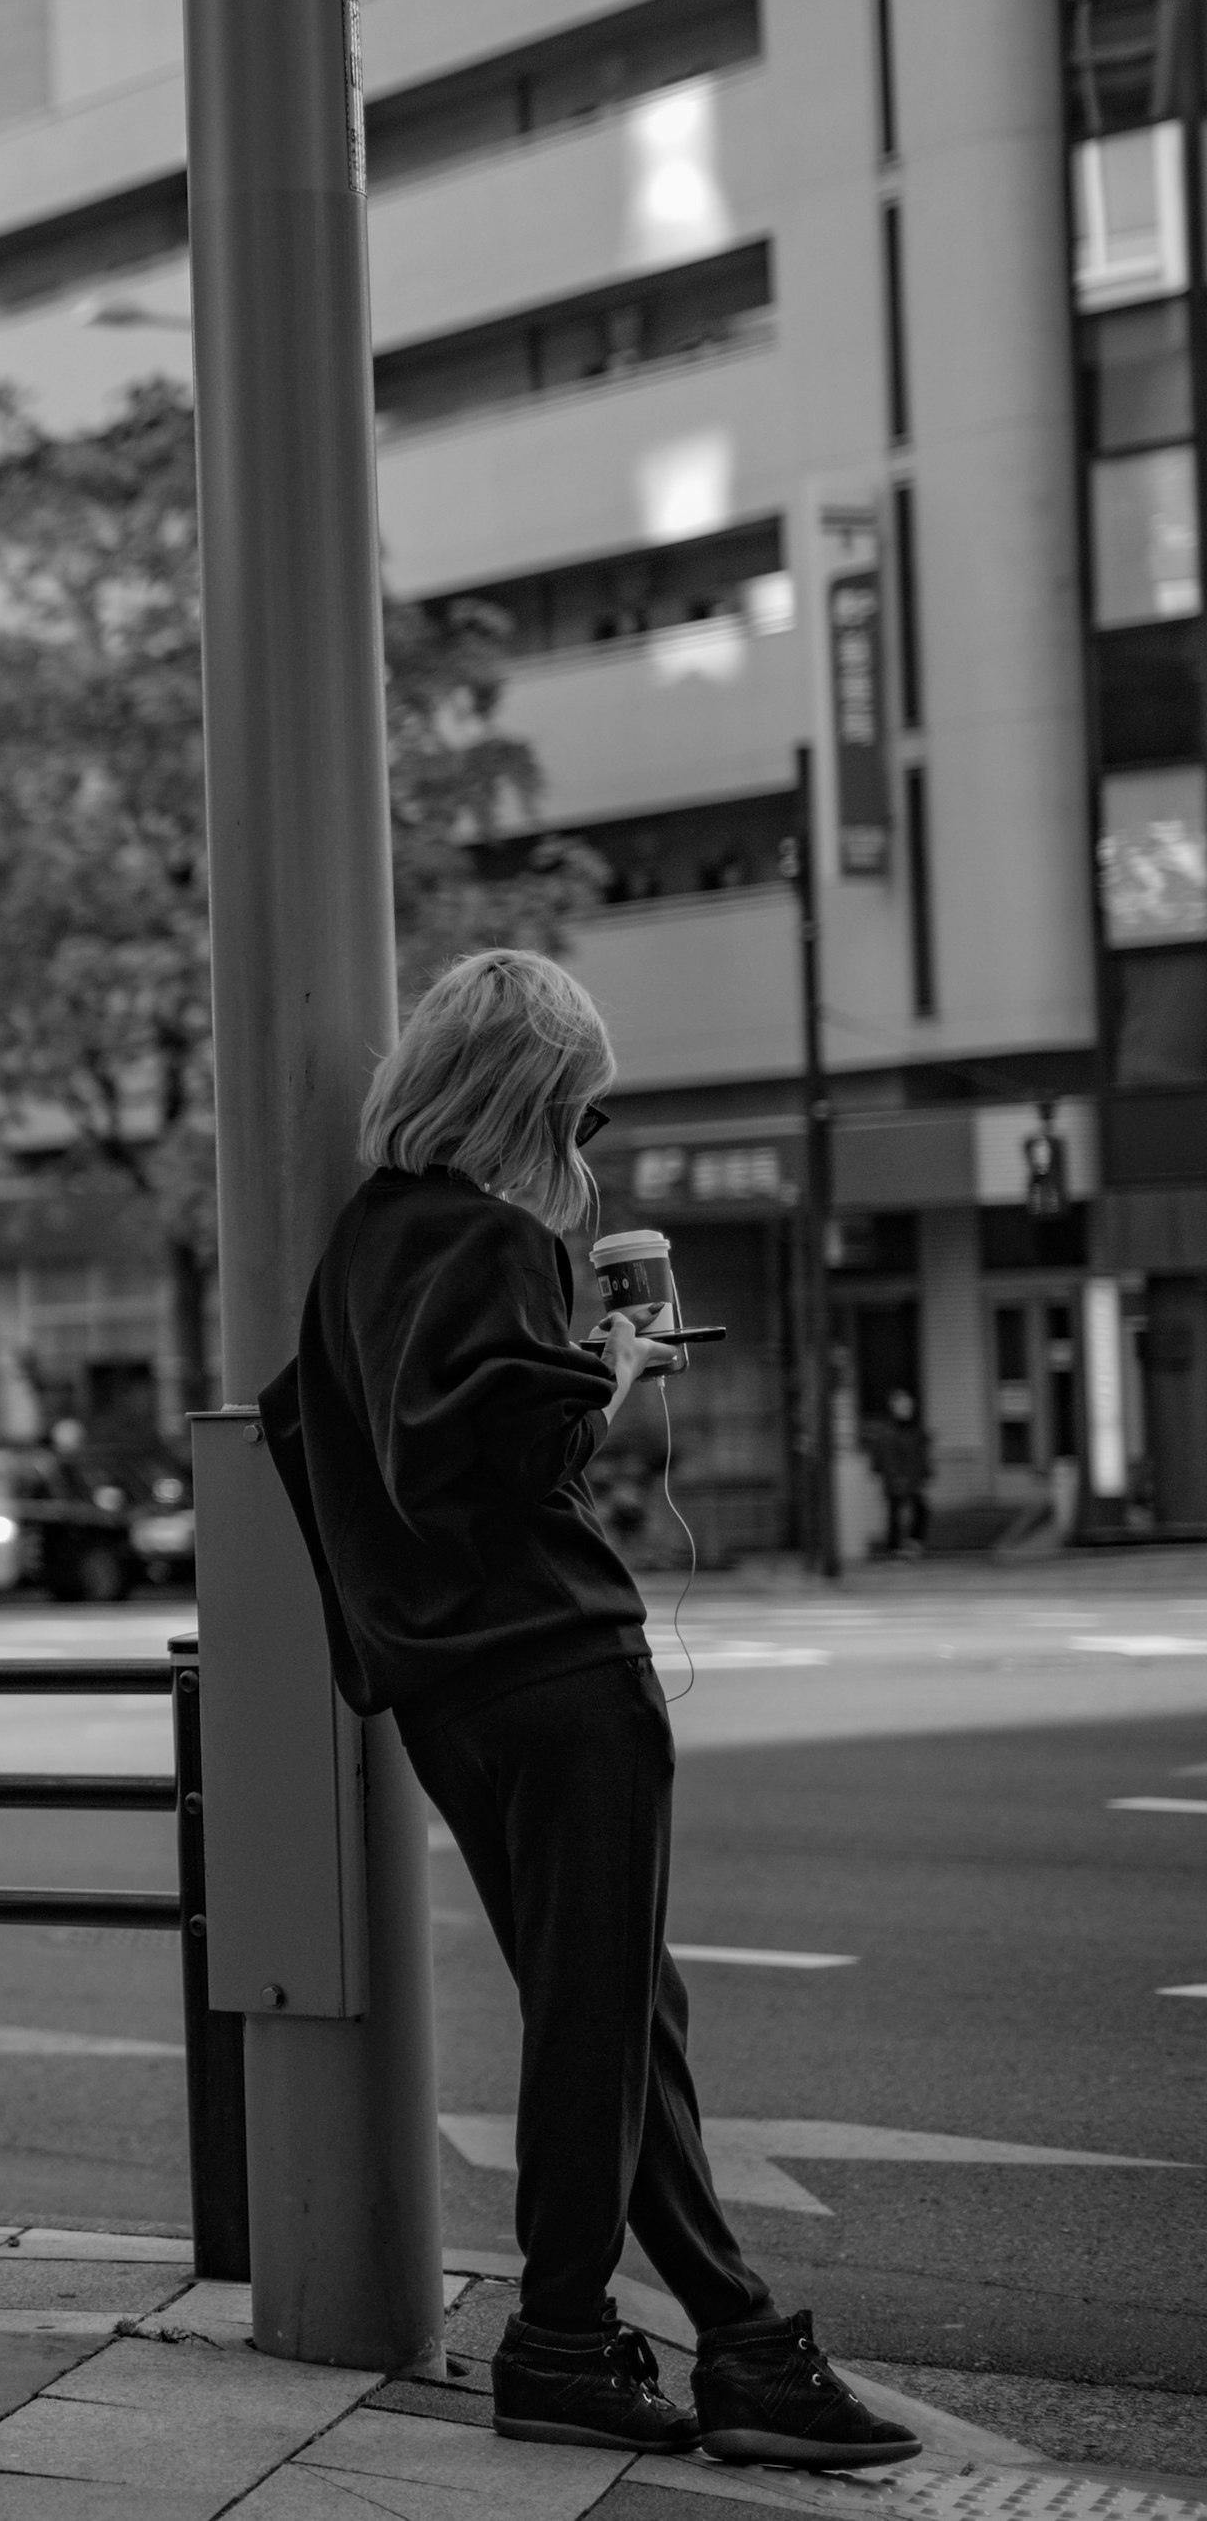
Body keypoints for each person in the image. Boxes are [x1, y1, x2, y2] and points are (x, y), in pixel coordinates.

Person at [258, 952, 915, 2471]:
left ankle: (742, 2340)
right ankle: (560, 2335)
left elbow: (333, 1437)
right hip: (560, 1671)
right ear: (528, 1098)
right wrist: (605, 1374)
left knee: (623, 2015)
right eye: (578, 1111)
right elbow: (489, 1450)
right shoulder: (492, 1239)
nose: (585, 1146)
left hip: (445, 1688)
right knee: (600, 2021)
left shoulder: (365, 1238)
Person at [867, 1389, 932, 1556]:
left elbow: (920, 1454)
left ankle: (911, 1543)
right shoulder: (889, 1432)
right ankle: (894, 1547)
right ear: (894, 1407)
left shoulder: (914, 1430)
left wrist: (926, 1472)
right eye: (903, 1405)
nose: (907, 1408)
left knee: (920, 1509)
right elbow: (887, 1458)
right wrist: (895, 1477)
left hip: (912, 1478)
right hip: (897, 1479)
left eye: (909, 1405)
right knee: (895, 1512)